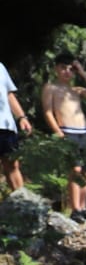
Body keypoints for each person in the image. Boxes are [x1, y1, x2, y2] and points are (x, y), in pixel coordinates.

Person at [41, 54, 86, 220]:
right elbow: (48, 111)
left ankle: (83, 207)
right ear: (56, 68)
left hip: (84, 131)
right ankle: (75, 209)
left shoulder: (76, 90)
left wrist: (83, 73)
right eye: (63, 67)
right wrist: (58, 132)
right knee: (75, 170)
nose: (67, 72)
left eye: (71, 69)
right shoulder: (51, 87)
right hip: (67, 131)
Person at [0, 60, 32, 192]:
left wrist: (22, 117)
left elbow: (9, 94)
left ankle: (21, 203)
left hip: (6, 125)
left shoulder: (0, 66)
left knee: (12, 165)